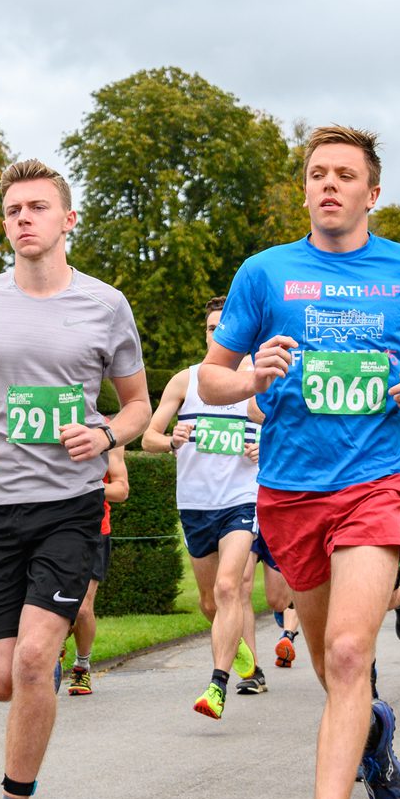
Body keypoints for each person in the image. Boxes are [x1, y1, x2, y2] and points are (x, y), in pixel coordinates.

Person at [199, 125, 400, 799]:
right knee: (328, 666)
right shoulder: (265, 272)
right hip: (288, 491)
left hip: (373, 483)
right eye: (318, 174)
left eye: (346, 175)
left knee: (350, 652)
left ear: (372, 193)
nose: (330, 185)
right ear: (305, 188)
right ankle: (374, 733)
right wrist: (248, 375)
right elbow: (210, 380)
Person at [0, 158, 150, 799]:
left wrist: (107, 435)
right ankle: (39, 681)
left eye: (37, 207)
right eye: (12, 210)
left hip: (70, 504)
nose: (23, 218)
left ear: (67, 220)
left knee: (33, 659)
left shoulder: (105, 304)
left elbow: (139, 406)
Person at [142, 295, 263, 719]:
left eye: (224, 328)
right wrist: (173, 439)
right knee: (211, 604)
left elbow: (290, 433)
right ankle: (238, 648)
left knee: (231, 588)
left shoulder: (258, 380)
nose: (218, 335)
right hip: (195, 503)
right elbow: (148, 438)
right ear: (206, 333)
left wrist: (262, 447)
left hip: (241, 499)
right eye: (212, 329)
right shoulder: (185, 381)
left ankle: (217, 686)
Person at [64, 449, 130, 696]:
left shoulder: (108, 433)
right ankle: (52, 646)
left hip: (93, 529)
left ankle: (81, 666)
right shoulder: (46, 421)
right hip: (49, 529)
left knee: (82, 608)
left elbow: (121, 490)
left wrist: (83, 487)